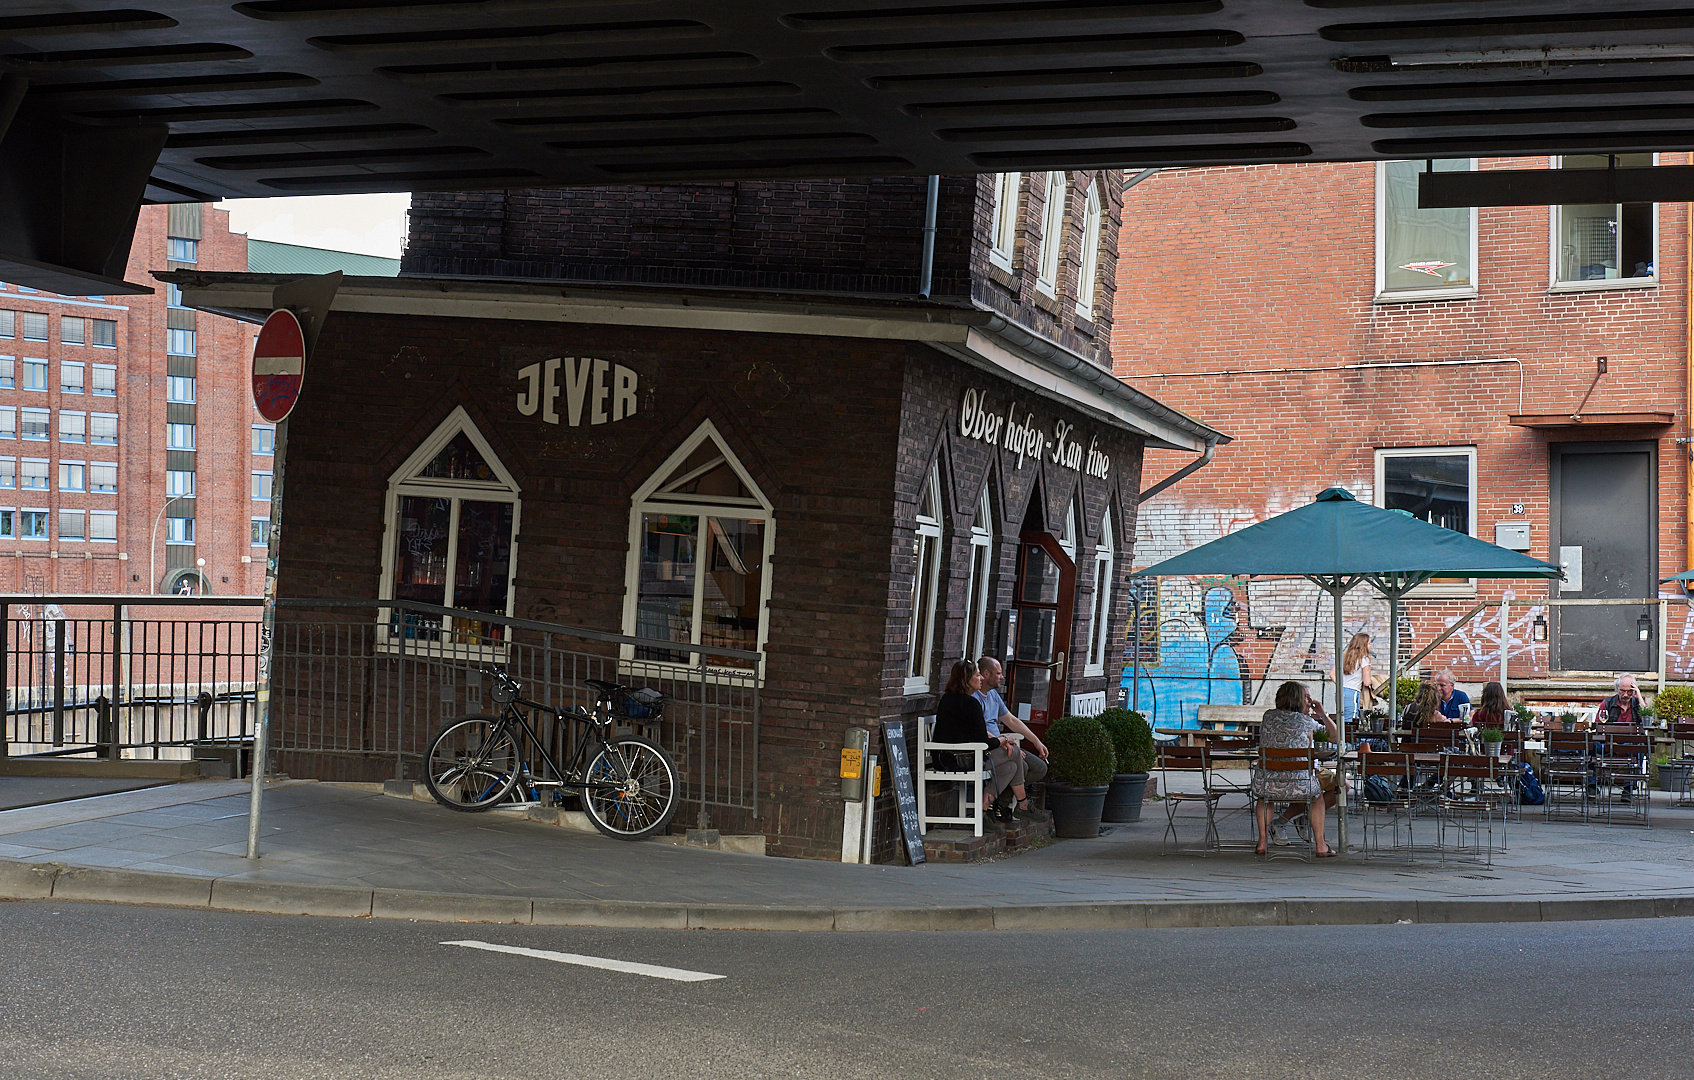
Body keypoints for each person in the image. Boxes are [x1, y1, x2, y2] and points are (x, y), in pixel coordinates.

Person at [1253, 681, 1338, 858]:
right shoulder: (1307, 722)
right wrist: (1322, 715)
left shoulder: (1267, 717)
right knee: (1317, 797)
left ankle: (1262, 843)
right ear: (1298, 699)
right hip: (1300, 783)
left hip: (1268, 782)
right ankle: (1321, 846)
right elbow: (1336, 737)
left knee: (1264, 798)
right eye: (1305, 697)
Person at [931, 660, 1022, 825]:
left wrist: (1000, 741)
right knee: (1014, 753)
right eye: (977, 675)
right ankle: (1022, 805)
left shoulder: (948, 698)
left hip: (946, 756)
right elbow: (984, 742)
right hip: (958, 759)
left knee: (1011, 767)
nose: (980, 679)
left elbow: (975, 733)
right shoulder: (971, 703)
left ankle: (984, 808)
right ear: (966, 679)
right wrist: (1004, 739)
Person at [975, 657, 1048, 821]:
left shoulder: (993, 695)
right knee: (1020, 765)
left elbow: (1011, 720)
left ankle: (1001, 802)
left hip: (1003, 744)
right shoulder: (974, 698)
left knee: (1039, 767)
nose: (1002, 677)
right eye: (999, 673)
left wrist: (1036, 741)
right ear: (986, 674)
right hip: (991, 747)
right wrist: (1003, 742)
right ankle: (1018, 805)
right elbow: (978, 730)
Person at [1339, 632, 1373, 725]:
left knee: (1342, 720)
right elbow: (1367, 682)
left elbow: (1332, 674)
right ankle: (1348, 740)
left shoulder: (1344, 657)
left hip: (1340, 692)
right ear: (1364, 645)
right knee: (1351, 722)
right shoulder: (1364, 659)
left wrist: (1342, 685)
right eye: (1369, 643)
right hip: (1353, 692)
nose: (1370, 646)